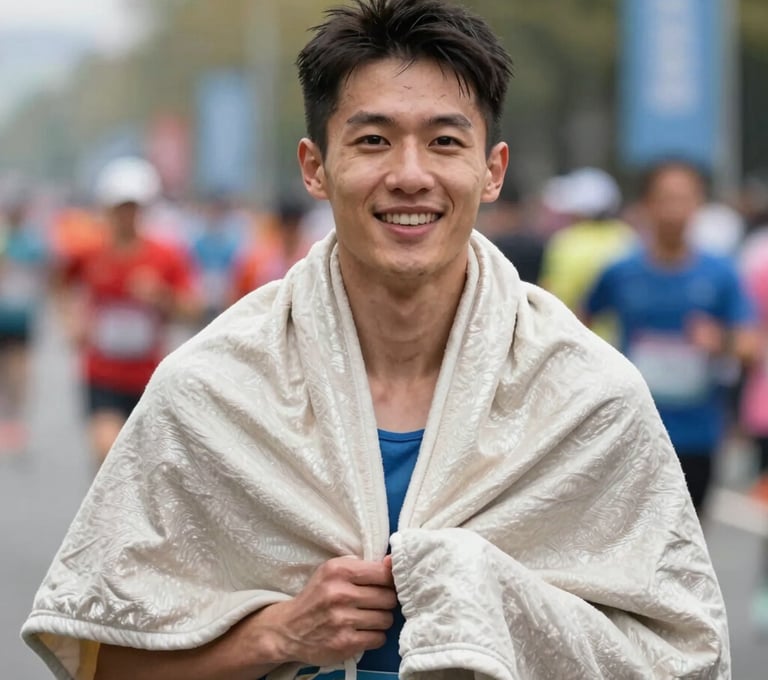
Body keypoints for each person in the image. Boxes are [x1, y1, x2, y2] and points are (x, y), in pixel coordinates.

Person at [23, 2, 728, 679]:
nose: (411, 174)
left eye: (445, 141)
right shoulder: (208, 390)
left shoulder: (587, 397)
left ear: (493, 169)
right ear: (314, 166)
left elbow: (684, 661)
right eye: (373, 140)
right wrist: (279, 633)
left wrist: (486, 593)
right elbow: (104, 662)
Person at [584, 160, 759, 515]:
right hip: (635, 429)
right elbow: (577, 325)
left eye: (684, 199)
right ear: (646, 205)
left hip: (698, 433)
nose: (674, 210)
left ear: (698, 206)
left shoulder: (720, 273)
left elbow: (752, 346)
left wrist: (719, 341)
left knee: (688, 545)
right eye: (664, 198)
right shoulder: (621, 272)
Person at [53, 156, 200, 466]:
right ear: (107, 210)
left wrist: (161, 295)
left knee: (143, 467)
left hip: (148, 376)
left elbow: (193, 308)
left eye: (133, 208)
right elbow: (60, 283)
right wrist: (71, 320)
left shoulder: (165, 256)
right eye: (120, 208)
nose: (126, 216)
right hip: (102, 372)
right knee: (108, 454)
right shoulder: (90, 253)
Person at [539, 166, 636, 344]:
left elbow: (552, 301)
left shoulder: (566, 242)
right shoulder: (627, 238)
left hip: (578, 345)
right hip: (623, 348)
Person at [0, 189, 48, 453]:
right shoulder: (2, 237)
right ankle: (6, 416)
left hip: (20, 317)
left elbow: (43, 275)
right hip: (1, 316)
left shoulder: (32, 242)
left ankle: (16, 418)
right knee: (3, 371)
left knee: (19, 368)